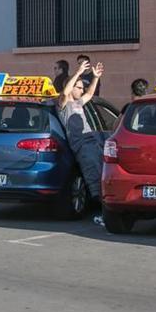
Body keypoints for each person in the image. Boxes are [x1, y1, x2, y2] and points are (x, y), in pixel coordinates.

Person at [59, 59, 105, 224]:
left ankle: (107, 212)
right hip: (83, 147)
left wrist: (96, 77)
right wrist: (78, 72)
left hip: (92, 142)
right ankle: (104, 215)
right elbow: (65, 93)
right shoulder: (64, 104)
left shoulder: (78, 103)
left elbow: (90, 94)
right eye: (78, 87)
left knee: (102, 178)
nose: (81, 90)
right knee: (94, 179)